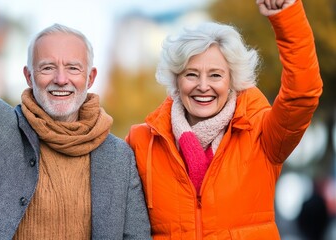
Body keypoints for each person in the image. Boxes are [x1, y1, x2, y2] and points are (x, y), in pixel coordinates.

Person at [0, 6, 151, 240]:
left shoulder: (119, 157)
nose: (60, 79)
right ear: (29, 76)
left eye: (73, 68)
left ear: (90, 78)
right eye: (47, 67)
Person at [126, 0, 322, 238]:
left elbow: (302, 94)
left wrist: (287, 19)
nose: (203, 86)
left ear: (232, 81)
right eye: (191, 74)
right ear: (176, 79)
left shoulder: (261, 134)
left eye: (216, 75)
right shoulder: (141, 142)